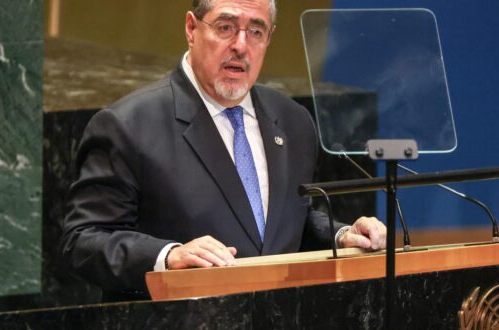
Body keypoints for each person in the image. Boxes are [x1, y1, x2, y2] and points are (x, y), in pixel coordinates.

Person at [60, 0, 387, 300]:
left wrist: (342, 235)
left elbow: (286, 221)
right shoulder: (128, 125)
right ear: (191, 28)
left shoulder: (292, 121)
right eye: (225, 27)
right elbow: (84, 241)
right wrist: (168, 256)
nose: (240, 46)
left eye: (255, 31)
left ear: (269, 38)